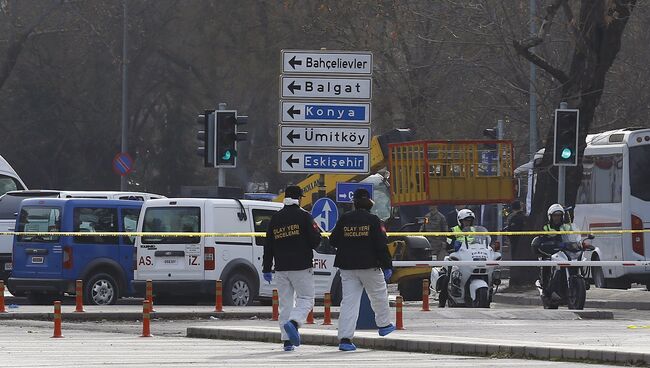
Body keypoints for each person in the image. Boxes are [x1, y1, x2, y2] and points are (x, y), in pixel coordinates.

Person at [329, 188, 395, 351]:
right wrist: (387, 265)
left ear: (354, 202)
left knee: (348, 303)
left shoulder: (345, 218)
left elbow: (333, 240)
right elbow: (381, 244)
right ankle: (384, 325)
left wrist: (349, 243)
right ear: (370, 202)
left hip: (347, 267)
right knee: (379, 295)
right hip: (370, 266)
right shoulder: (374, 220)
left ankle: (345, 339)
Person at [262, 185, 322, 352]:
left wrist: (267, 268)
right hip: (302, 266)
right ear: (300, 198)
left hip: (281, 268)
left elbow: (268, 246)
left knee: (285, 303)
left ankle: (287, 342)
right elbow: (314, 241)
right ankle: (294, 323)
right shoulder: (305, 216)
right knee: (307, 299)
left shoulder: (275, 218)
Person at [436, 209, 477, 307]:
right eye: (466, 220)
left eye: (470, 221)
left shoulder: (475, 231)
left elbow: (482, 241)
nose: (468, 223)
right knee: (448, 274)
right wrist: (453, 246)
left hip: (472, 257)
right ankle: (442, 300)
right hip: (457, 257)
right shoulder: (453, 230)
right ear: (460, 220)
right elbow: (448, 244)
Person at [537, 203, 573, 299]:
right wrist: (550, 243)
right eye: (555, 216)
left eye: (559, 216)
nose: (557, 218)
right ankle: (545, 289)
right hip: (551, 252)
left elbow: (572, 236)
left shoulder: (566, 227)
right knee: (546, 264)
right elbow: (541, 239)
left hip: (564, 252)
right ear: (550, 216)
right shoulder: (546, 227)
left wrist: (578, 243)